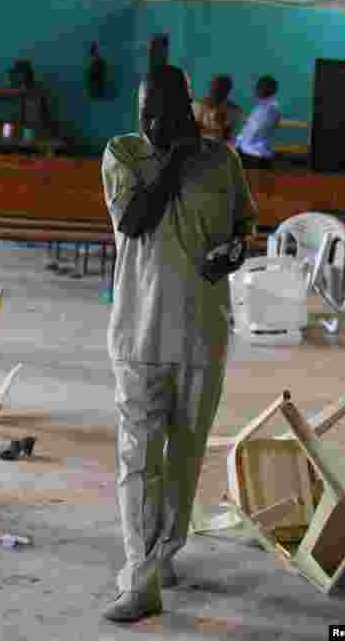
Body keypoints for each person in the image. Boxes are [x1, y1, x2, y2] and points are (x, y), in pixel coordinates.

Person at [100, 64, 257, 623]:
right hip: (138, 333)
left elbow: (245, 227)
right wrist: (174, 154)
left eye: (163, 112)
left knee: (184, 458)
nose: (150, 122)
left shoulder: (224, 161)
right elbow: (135, 218)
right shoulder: (124, 155)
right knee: (138, 459)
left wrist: (237, 250)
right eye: (144, 111)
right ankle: (140, 579)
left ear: (186, 109)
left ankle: (163, 552)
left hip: (202, 335)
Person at [235, 75, 281, 169]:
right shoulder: (263, 106)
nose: (256, 89)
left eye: (259, 86)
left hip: (254, 156)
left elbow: (255, 131)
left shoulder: (269, 108)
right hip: (254, 154)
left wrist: (237, 143)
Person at [192, 74, 243, 143]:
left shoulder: (234, 111)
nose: (216, 91)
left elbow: (227, 137)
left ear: (227, 91)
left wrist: (221, 123)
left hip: (218, 148)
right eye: (215, 88)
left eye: (221, 89)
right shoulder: (197, 105)